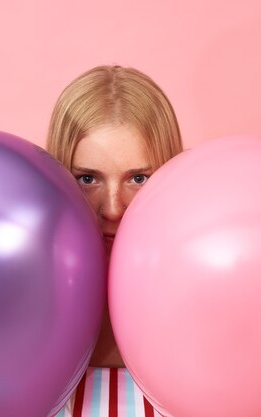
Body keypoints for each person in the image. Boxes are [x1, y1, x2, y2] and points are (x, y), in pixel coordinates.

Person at [46, 65, 183, 416]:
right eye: (88, 178)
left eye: (137, 178)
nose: (112, 208)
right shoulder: (21, 300)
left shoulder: (207, 296)